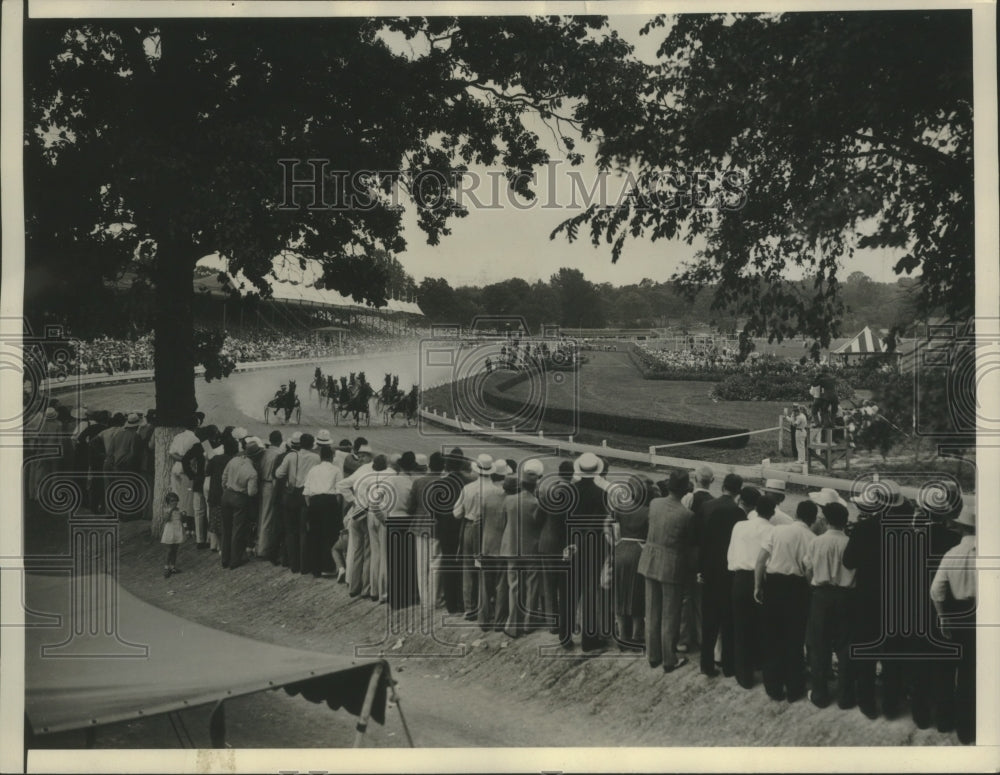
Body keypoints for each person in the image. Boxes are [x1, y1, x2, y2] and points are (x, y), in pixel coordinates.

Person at [754, 496, 816, 702]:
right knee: (794, 639)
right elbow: (808, 571)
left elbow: (761, 560)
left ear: (797, 514)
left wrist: (758, 585)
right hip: (797, 589)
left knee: (772, 637)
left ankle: (773, 686)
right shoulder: (811, 538)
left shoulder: (777, 530)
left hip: (773, 584)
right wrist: (810, 590)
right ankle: (794, 686)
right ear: (812, 519)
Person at [638, 469, 695, 672]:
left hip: (650, 560)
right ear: (685, 491)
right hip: (672, 564)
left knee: (651, 611)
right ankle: (669, 659)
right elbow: (688, 544)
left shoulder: (654, 504)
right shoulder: (687, 515)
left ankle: (653, 655)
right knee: (670, 615)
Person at [803, 500, 856, 710]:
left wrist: (814, 587)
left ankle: (820, 693)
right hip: (846, 596)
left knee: (819, 646)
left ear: (825, 520)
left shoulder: (817, 542)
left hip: (822, 596)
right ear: (845, 521)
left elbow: (807, 569)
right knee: (845, 647)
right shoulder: (850, 543)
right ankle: (845, 697)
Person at [930, 507, 976, 745]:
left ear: (960, 527)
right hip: (978, 617)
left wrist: (943, 617)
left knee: (946, 671)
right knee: (970, 673)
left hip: (954, 613)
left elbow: (936, 590)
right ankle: (967, 729)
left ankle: (944, 720)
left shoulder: (952, 553)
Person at [697, 472, 745, 677]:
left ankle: (706, 664)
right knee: (728, 621)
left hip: (709, 571)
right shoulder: (738, 513)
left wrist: (700, 569)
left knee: (709, 621)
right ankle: (728, 665)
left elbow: (700, 542)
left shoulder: (707, 507)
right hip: (729, 572)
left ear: (723, 486)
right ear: (738, 492)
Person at [727, 488, 773, 689]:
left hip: (739, 577)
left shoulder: (739, 526)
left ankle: (744, 675)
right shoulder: (771, 530)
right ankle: (760, 664)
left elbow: (731, 555)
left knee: (741, 627)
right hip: (761, 579)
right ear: (771, 512)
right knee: (762, 625)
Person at [501, 458, 545, 639]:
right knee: (532, 585)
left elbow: (505, 522)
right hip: (531, 548)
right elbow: (540, 525)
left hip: (511, 547)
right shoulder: (537, 504)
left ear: (521, 483)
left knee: (514, 586)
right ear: (535, 485)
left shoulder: (509, 501)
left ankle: (513, 623)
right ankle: (529, 621)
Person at [613, 477, 653, 651]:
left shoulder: (621, 508)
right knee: (637, 593)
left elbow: (612, 529)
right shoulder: (648, 511)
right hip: (639, 550)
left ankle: (622, 635)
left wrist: (616, 543)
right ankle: (636, 635)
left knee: (620, 593)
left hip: (621, 549)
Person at [537, 460, 574, 643]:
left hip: (547, 542)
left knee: (549, 584)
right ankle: (569, 621)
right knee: (565, 585)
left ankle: (552, 622)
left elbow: (538, 516)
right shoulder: (574, 493)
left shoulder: (549, 491)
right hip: (565, 544)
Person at [454, 453, 495, 620]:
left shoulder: (468, 489)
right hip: (489, 530)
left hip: (470, 527)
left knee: (468, 569)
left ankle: (470, 608)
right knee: (486, 569)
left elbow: (456, 513)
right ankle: (486, 607)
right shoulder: (496, 490)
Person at [336, 443, 375, 598]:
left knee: (355, 550)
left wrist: (353, 502)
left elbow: (342, 485)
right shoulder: (374, 470)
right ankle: (365, 586)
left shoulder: (362, 470)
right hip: (369, 512)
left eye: (363, 456)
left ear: (369, 457)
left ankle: (353, 584)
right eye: (361, 455)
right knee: (367, 552)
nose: (361, 458)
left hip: (357, 512)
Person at [477, 460, 510, 631]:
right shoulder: (509, 501)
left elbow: (480, 520)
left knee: (485, 585)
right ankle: (499, 620)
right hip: (501, 548)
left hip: (486, 546)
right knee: (501, 586)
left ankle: (483, 619)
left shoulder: (488, 497)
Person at [219, 437, 263, 570]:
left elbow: (224, 478)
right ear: (255, 457)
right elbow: (251, 492)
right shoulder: (252, 472)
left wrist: (226, 489)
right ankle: (235, 559)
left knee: (226, 528)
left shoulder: (233, 460)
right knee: (237, 530)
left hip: (226, 495)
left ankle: (224, 559)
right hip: (240, 498)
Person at [302, 441, 343, 578]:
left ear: (320, 457)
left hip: (314, 502)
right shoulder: (336, 470)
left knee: (314, 534)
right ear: (332, 457)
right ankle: (328, 566)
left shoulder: (313, 470)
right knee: (329, 535)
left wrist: (311, 506)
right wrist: (336, 509)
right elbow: (339, 492)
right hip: (329, 502)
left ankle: (315, 568)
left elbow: (306, 491)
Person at [204, 435, 238, 553]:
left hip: (214, 494)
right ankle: (224, 547)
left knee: (215, 521)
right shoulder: (234, 461)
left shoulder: (216, 459)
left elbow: (207, 472)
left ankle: (216, 545)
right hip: (228, 494)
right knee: (227, 522)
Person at [255, 430, 284, 562]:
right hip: (270, 485)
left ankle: (259, 545)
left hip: (261, 483)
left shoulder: (264, 452)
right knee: (268, 516)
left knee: (262, 514)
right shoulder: (278, 454)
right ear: (280, 440)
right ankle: (263, 549)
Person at [159, 491, 185, 579]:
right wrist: (171, 511)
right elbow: (166, 519)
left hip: (177, 530)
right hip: (170, 531)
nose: (175, 502)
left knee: (175, 549)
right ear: (168, 502)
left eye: (176, 500)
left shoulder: (178, 509)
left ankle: (173, 566)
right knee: (169, 550)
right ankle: (166, 567)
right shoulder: (167, 509)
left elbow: (181, 520)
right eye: (172, 501)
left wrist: (182, 515)